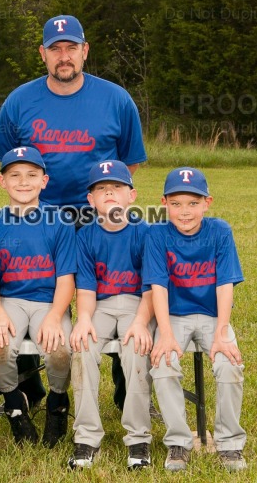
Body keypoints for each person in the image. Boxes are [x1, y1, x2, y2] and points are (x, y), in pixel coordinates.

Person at [0, 14, 148, 416]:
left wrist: (104, 202)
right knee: (24, 288)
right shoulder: (19, 102)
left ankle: (125, 391)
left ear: (85, 51)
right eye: (55, 48)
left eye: (71, 48)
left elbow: (128, 163)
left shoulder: (116, 99)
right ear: (43, 53)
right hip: (38, 215)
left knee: (117, 293)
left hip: (97, 217)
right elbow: (13, 163)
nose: (64, 56)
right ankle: (29, 390)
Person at [144, 167, 247, 472]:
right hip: (173, 315)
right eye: (176, 204)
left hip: (213, 316)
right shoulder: (157, 234)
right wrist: (164, 333)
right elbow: (158, 287)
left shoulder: (219, 231)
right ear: (164, 203)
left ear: (207, 202)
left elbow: (224, 284)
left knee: (230, 364)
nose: (184, 212)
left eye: (192, 203)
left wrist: (222, 332)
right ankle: (178, 441)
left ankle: (229, 444)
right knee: (162, 364)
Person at [0, 146, 75, 448]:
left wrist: (54, 316)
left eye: (31, 175)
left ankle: (57, 402)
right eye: (15, 175)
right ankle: (14, 403)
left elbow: (66, 280)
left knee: (59, 348)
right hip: (11, 299)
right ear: (2, 182)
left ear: (44, 181)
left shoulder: (59, 220)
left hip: (50, 301)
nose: (23, 182)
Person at [68, 160, 154, 470]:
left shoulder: (146, 232)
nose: (109, 193)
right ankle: (87, 437)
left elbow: (152, 289)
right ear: (91, 200)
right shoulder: (86, 235)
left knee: (135, 348)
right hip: (101, 305)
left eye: (116, 187)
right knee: (82, 346)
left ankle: (138, 438)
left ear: (131, 195)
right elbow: (87, 290)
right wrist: (84, 319)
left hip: (138, 304)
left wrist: (143, 323)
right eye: (101, 189)